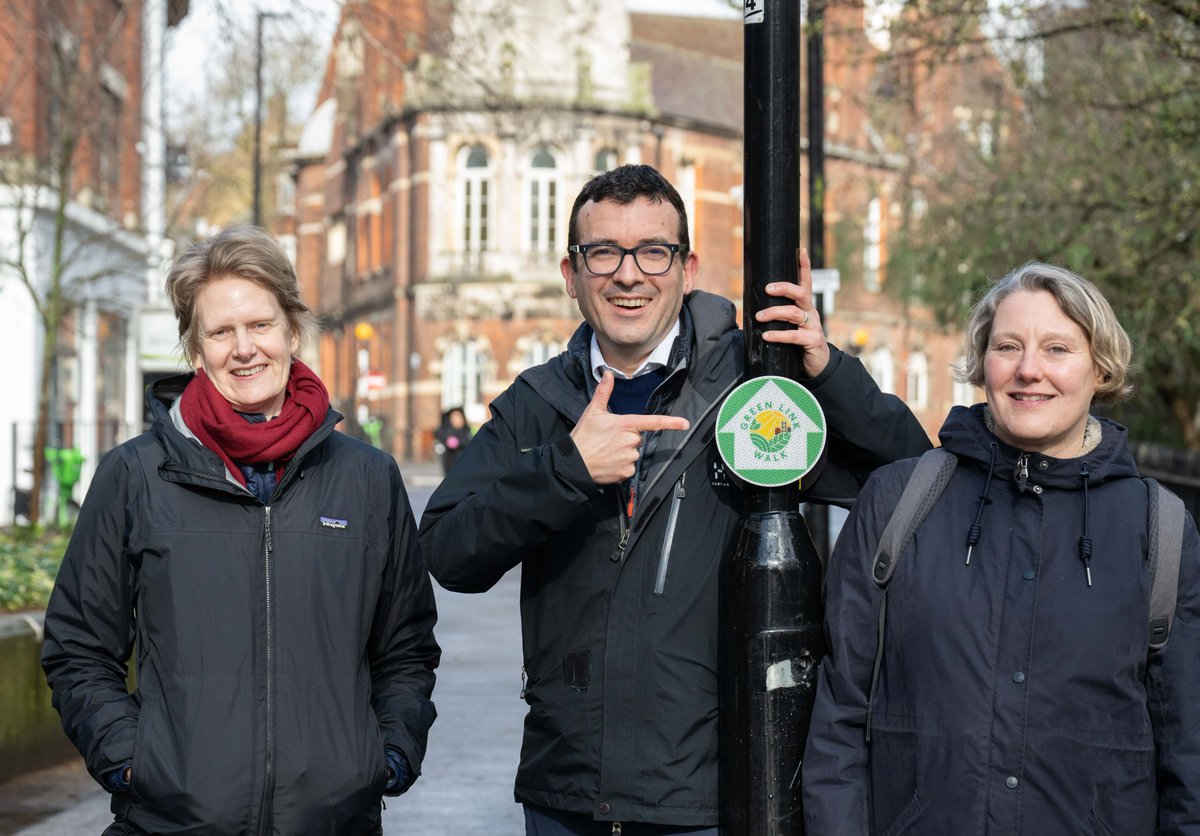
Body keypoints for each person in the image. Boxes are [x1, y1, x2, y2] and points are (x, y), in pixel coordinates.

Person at [418, 164, 931, 834]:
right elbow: (450, 550)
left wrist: (828, 371)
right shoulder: (538, 405)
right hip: (568, 793)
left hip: (711, 799)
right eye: (603, 252)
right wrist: (568, 470)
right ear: (572, 274)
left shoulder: (751, 392)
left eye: (652, 251)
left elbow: (910, 481)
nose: (628, 275)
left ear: (686, 267)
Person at [41, 225, 440, 836]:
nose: (244, 348)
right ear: (196, 351)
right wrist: (132, 762)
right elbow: (78, 646)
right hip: (170, 821)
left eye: (259, 325)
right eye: (221, 332)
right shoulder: (135, 475)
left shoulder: (367, 479)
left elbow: (405, 648)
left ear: (292, 332)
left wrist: (383, 757)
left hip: (333, 822)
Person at [802, 262, 1200, 834]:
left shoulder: (1158, 528)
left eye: (1057, 348)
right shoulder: (898, 501)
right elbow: (838, 720)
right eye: (1007, 346)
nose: (1028, 370)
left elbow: (1187, 751)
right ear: (981, 363)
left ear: (1101, 369)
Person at [433, 406, 472, 474]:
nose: (456, 419)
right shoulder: (446, 430)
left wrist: (459, 442)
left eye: (458, 416)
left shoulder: (467, 430)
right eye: (453, 417)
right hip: (450, 465)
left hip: (465, 465)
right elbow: (438, 435)